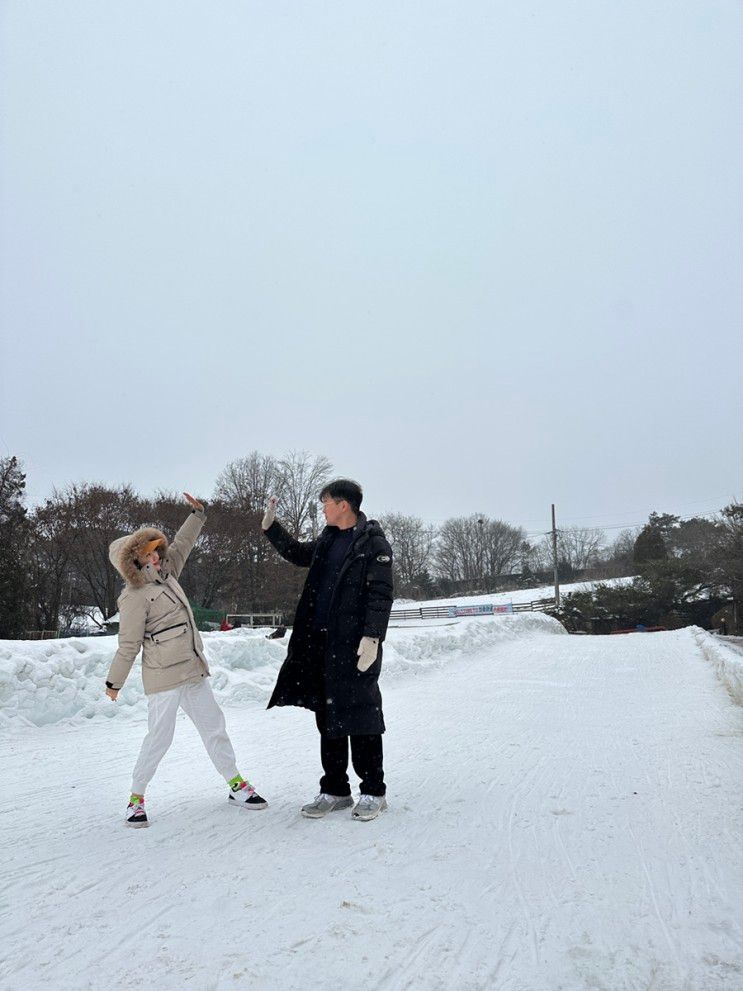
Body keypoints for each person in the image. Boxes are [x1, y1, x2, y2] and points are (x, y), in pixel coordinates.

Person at [105, 492, 267, 827]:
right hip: (163, 677)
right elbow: (129, 643)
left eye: (156, 549)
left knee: (214, 726)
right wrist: (114, 682)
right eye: (150, 551)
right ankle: (136, 799)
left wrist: (197, 514)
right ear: (135, 560)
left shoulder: (168, 574)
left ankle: (235, 783)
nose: (158, 554)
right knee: (159, 738)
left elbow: (183, 544)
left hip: (192, 671)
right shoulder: (133, 597)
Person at [261, 479, 394, 821]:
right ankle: (335, 789)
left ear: (344, 505)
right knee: (329, 716)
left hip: (355, 645)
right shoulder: (327, 539)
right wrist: (271, 527)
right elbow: (296, 553)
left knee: (361, 715)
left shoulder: (372, 542)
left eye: (326, 502)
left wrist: (373, 637)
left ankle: (373, 791)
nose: (322, 508)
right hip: (320, 643)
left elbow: (381, 594)